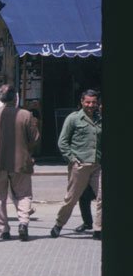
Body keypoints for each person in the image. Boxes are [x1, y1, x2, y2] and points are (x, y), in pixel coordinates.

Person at [0, 84, 40, 241]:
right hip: (20, 162)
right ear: (15, 98)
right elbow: (35, 138)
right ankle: (23, 224)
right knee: (24, 194)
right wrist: (28, 151)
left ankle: (4, 230)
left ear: (0, 98)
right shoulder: (26, 115)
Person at [50, 90, 102, 240]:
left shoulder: (100, 119)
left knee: (102, 198)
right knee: (71, 198)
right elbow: (63, 142)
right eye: (88, 102)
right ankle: (59, 224)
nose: (91, 105)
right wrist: (72, 159)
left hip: (97, 165)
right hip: (80, 165)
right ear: (82, 102)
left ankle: (99, 229)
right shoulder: (73, 119)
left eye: (93, 102)